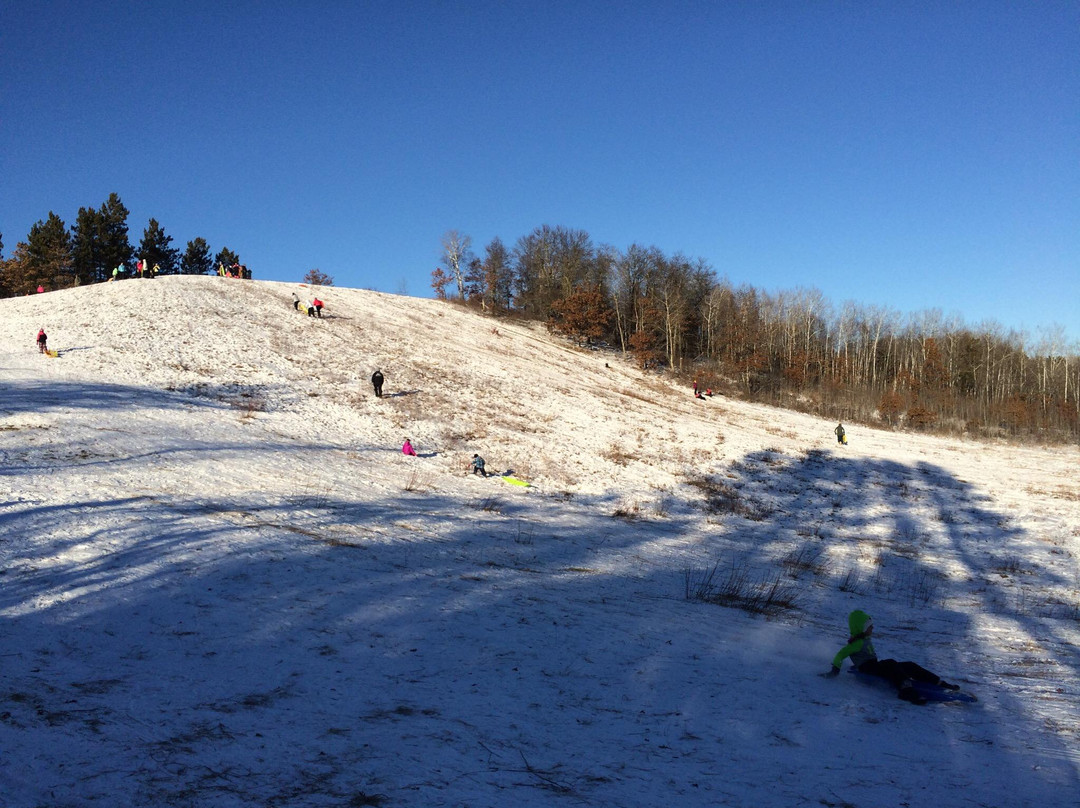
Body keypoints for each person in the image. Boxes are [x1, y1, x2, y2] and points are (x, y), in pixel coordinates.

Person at [824, 610, 959, 705]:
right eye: (870, 626)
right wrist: (835, 669)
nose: (873, 627)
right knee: (891, 663)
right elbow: (841, 654)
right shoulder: (856, 643)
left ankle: (938, 682)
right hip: (867, 669)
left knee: (909, 665)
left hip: (874, 666)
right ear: (862, 628)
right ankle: (905, 691)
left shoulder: (864, 639)